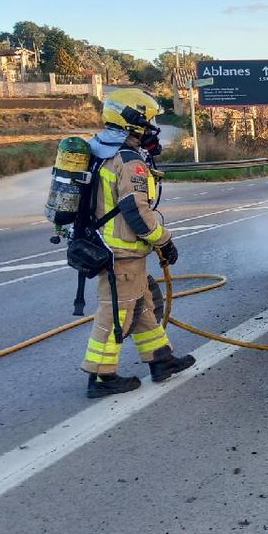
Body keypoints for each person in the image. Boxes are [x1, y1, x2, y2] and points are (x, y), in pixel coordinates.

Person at [82, 88, 195, 398]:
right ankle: (101, 377)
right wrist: (165, 241)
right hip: (120, 254)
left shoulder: (100, 152)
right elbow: (136, 211)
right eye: (148, 121)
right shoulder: (129, 162)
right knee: (116, 315)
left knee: (142, 306)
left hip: (114, 251)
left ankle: (160, 360)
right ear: (131, 122)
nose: (152, 128)